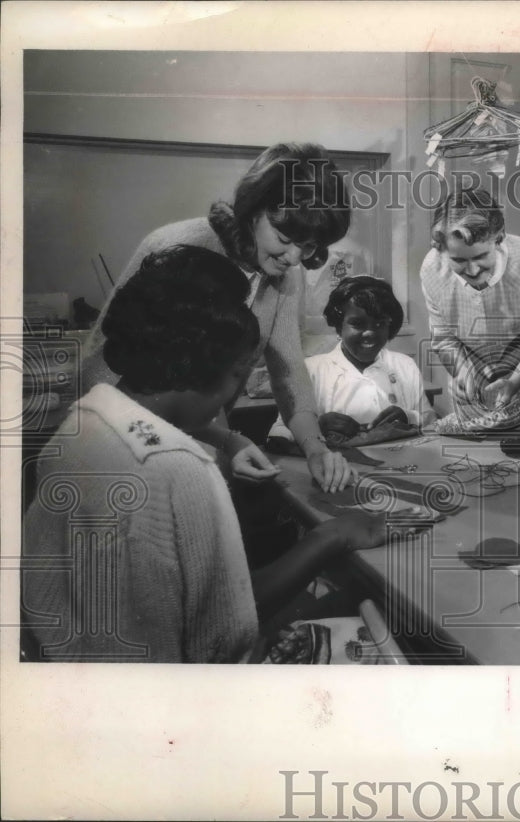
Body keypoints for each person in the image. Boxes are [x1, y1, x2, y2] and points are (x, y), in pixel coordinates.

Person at [23, 247, 386, 663]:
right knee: (378, 632)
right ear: (211, 368)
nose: (235, 390)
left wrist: (227, 440)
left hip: (65, 665)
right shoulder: (179, 469)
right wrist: (331, 536)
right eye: (240, 373)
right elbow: (222, 635)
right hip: (167, 699)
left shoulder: (82, 421)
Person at [81, 143, 352, 492]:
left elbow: (289, 370)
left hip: (195, 436)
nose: (295, 258)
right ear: (252, 209)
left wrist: (315, 448)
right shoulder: (177, 246)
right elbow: (99, 370)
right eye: (285, 237)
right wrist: (222, 438)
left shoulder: (284, 276)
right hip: (121, 438)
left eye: (310, 246)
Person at [420, 186, 520, 428]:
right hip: (470, 367)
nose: (472, 271)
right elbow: (444, 340)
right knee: (477, 454)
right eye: (459, 260)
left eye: (481, 257)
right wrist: (465, 377)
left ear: (499, 237)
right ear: (440, 248)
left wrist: (513, 383)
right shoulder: (431, 271)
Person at [267, 275, 435, 446]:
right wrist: (315, 427)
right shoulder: (312, 370)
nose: (369, 333)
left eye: (379, 324)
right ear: (339, 326)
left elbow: (432, 423)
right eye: (358, 324)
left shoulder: (404, 365)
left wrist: (409, 416)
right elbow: (277, 435)